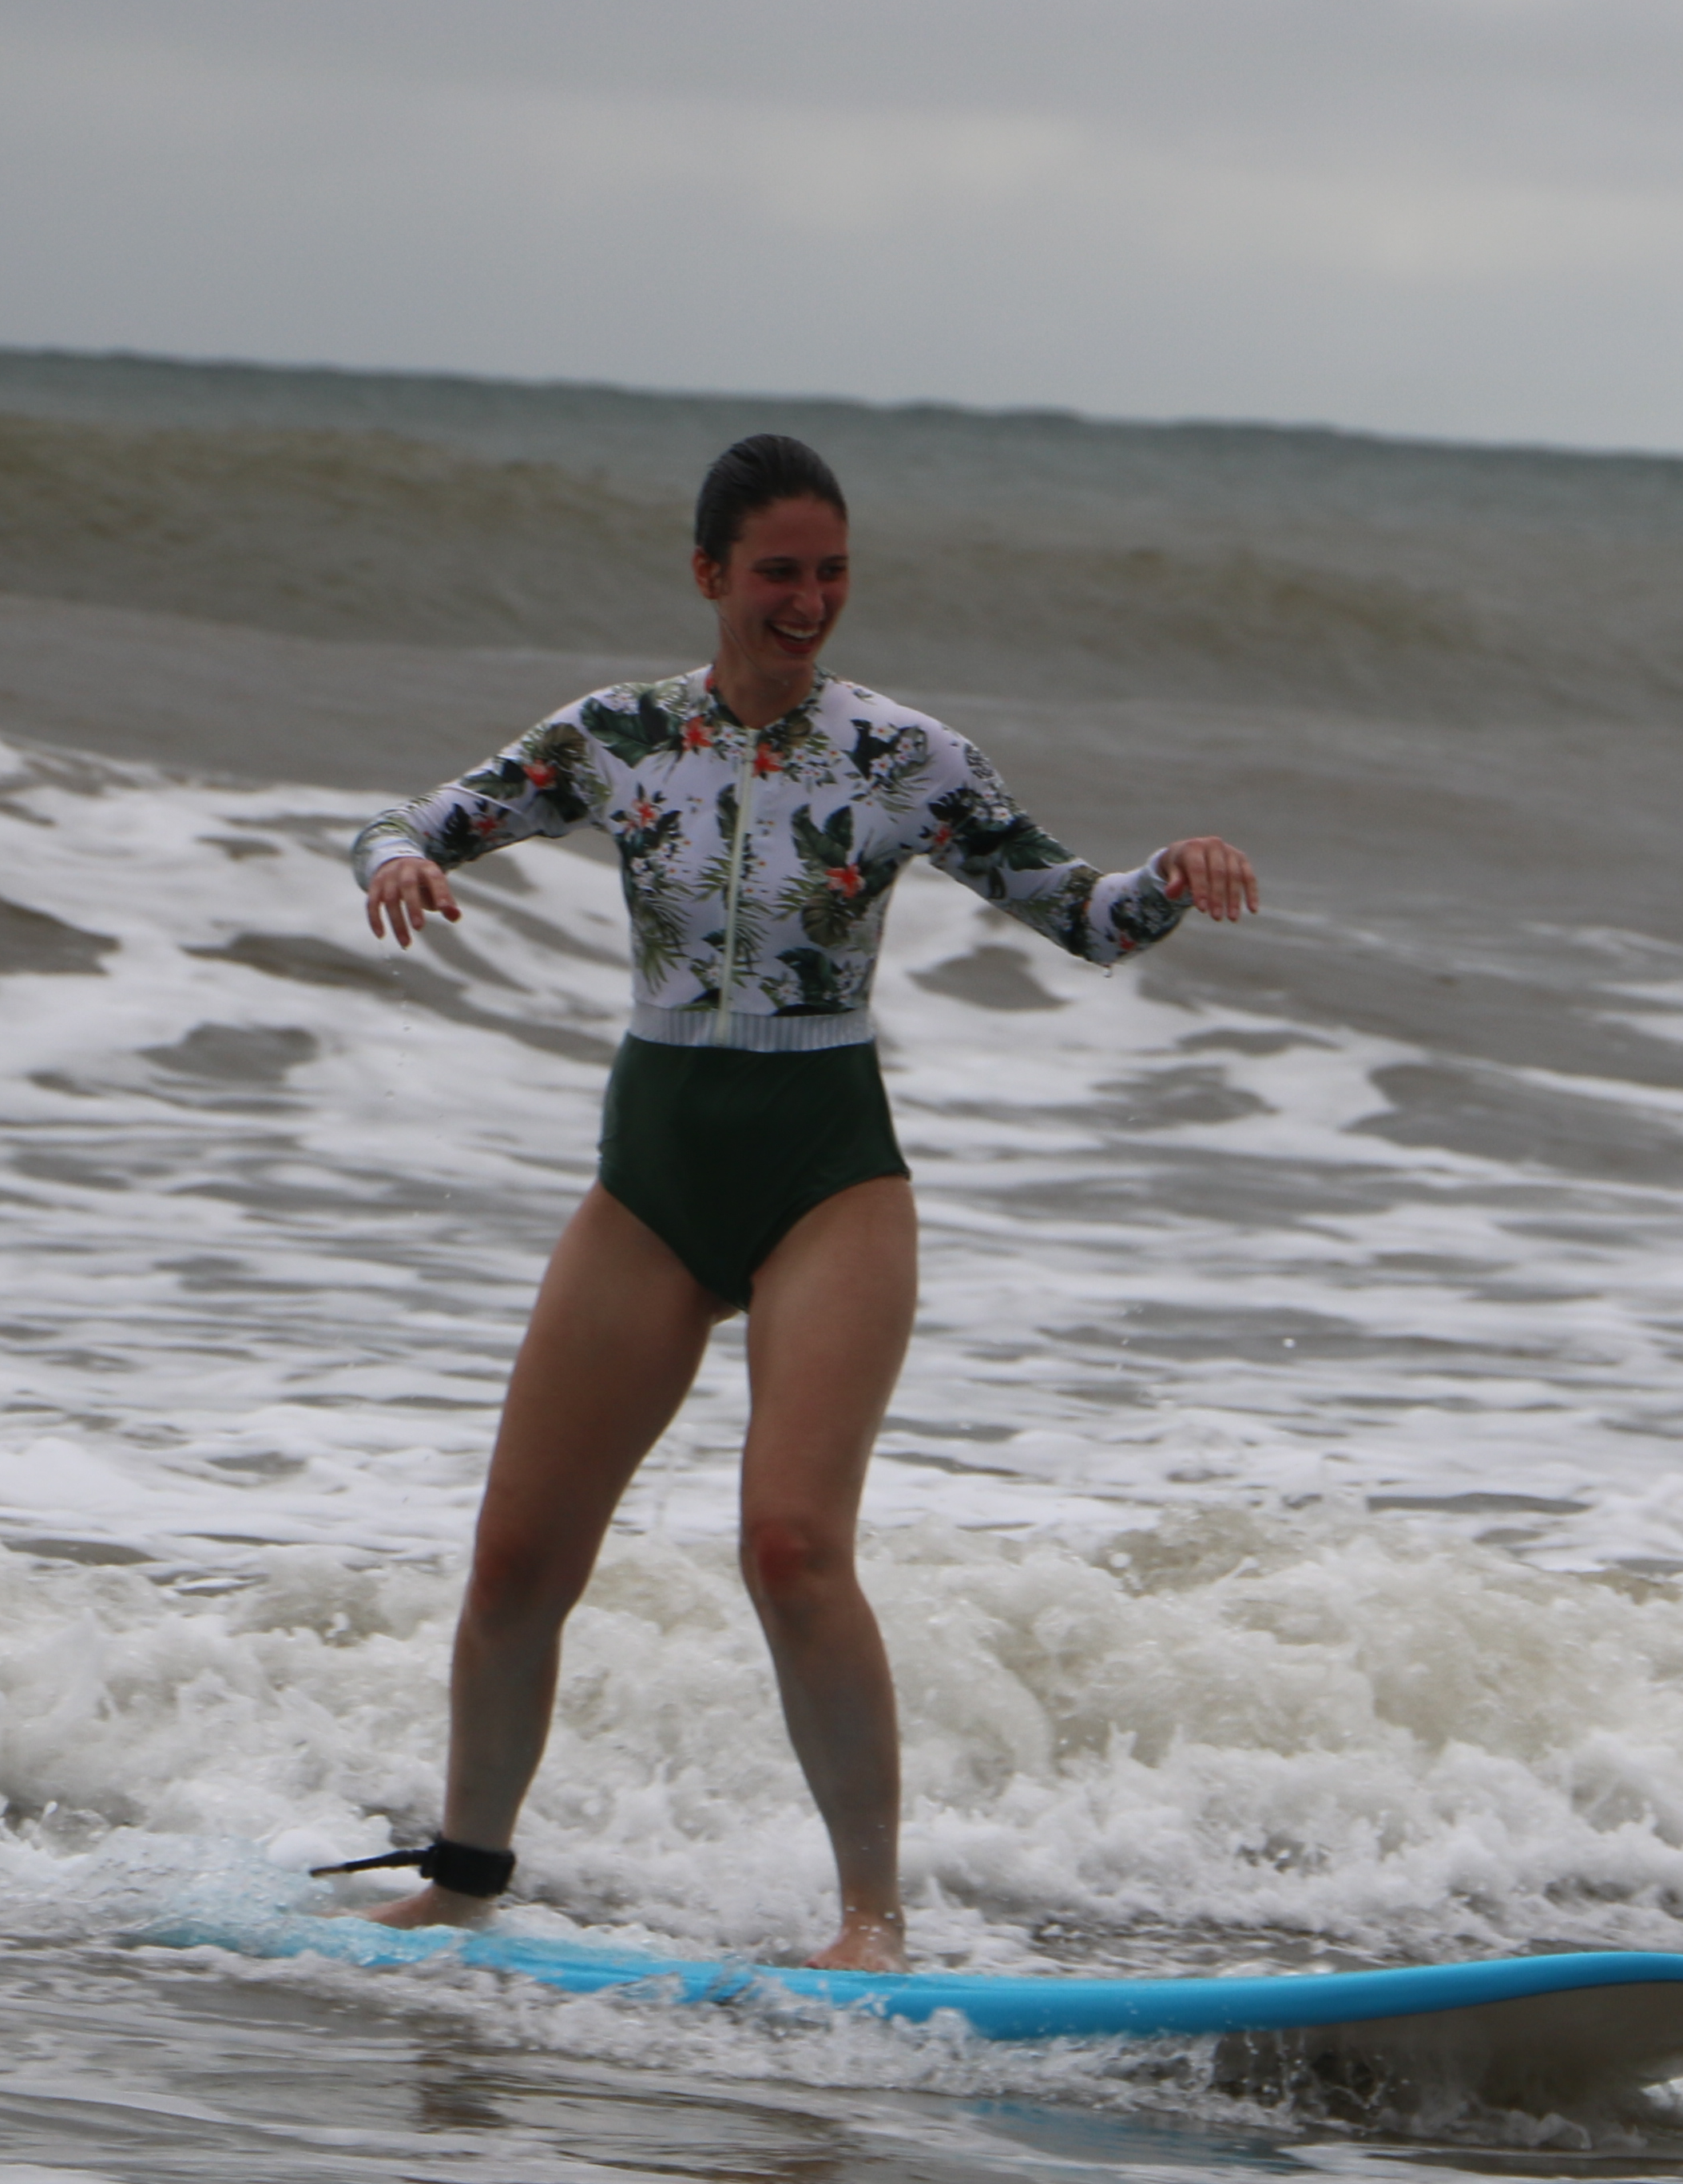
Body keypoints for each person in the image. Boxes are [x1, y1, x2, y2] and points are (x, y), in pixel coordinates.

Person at [315, 433, 1259, 1970]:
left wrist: (1173, 869)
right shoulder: (617, 738)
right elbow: (401, 819)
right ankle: (466, 1877)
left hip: (828, 1175)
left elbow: (1081, 916)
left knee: (793, 1548)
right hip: (655, 1176)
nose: (810, 600)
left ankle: (870, 1924)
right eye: (779, 571)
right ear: (709, 577)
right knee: (516, 1562)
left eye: (831, 571)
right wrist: (402, 866)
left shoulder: (902, 758)